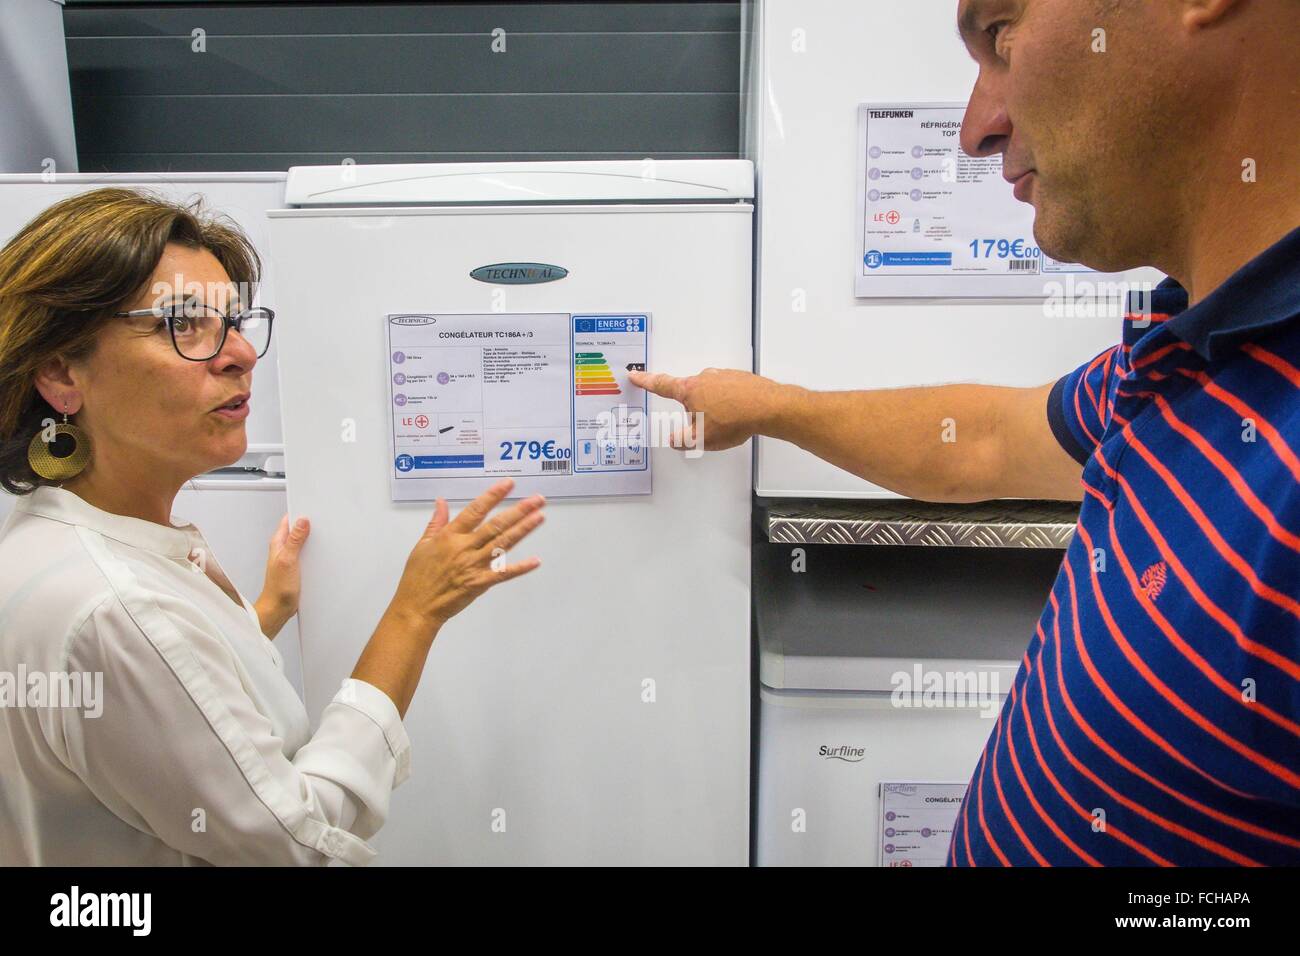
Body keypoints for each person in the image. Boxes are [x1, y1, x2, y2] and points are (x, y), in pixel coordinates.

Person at [631, 0, 1300, 865]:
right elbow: (981, 439)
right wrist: (768, 406)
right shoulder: (1188, 362)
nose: (976, 130)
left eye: (1001, 38)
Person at [0, 188, 545, 865]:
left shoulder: (54, 548)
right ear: (59, 371)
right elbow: (299, 845)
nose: (240, 355)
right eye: (184, 324)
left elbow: (156, 713)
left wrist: (260, 617)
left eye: (234, 322)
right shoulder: (115, 609)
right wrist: (414, 613)